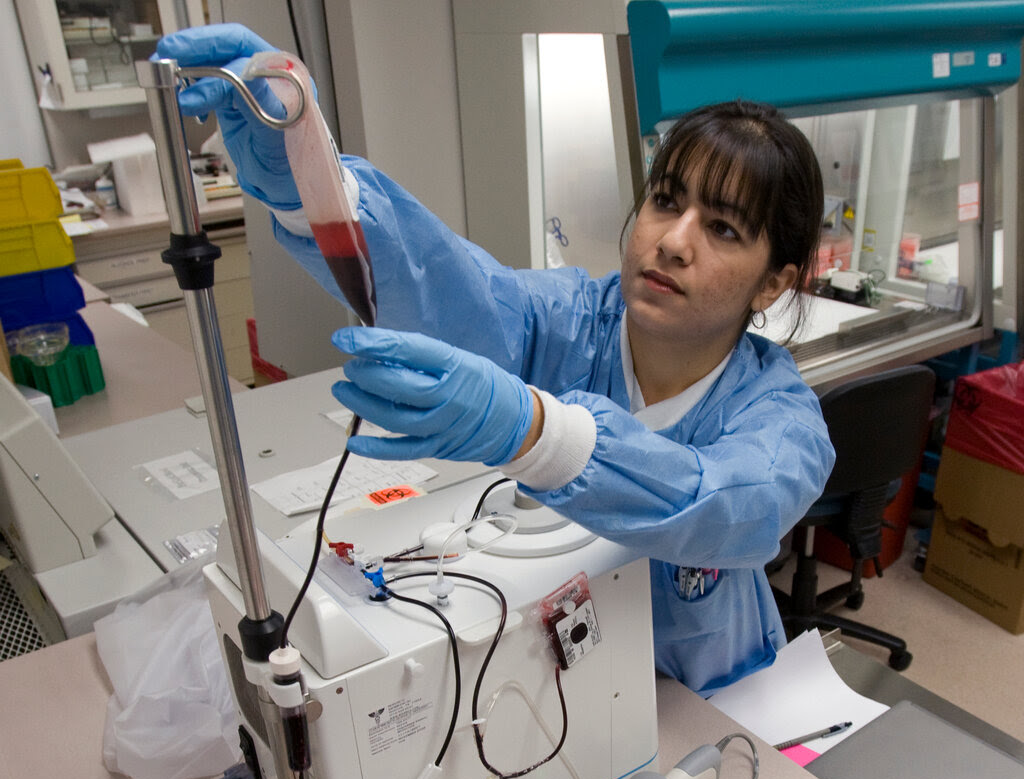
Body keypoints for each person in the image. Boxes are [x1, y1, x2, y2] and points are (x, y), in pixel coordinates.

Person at [156, 25, 835, 694]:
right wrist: (311, 180)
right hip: (578, 689)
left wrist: (544, 433)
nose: (674, 241)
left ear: (774, 281)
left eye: (721, 228)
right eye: (665, 201)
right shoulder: (572, 320)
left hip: (715, 698)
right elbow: (453, 289)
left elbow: (727, 505)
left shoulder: (778, 415)